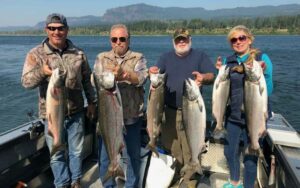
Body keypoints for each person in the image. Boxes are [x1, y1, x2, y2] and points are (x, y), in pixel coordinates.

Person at [21, 13, 96, 188]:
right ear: (46, 30)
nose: (57, 32)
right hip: (51, 116)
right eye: (52, 28)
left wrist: (92, 102)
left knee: (76, 151)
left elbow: (87, 79)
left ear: (67, 30)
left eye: (60, 28)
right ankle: (62, 184)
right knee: (57, 155)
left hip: (76, 112)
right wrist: (43, 72)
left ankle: (75, 181)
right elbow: (26, 82)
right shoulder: (36, 54)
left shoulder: (78, 53)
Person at [149, 28, 215, 187]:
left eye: (184, 39)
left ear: (190, 40)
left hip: (192, 112)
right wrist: (151, 73)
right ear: (174, 42)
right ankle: (176, 174)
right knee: (172, 147)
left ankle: (190, 180)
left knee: (190, 147)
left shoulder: (200, 56)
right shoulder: (165, 57)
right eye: (178, 40)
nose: (181, 42)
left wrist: (203, 78)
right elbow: (156, 75)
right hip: (169, 112)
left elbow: (212, 75)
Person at [215, 25, 273, 188]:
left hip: (255, 116)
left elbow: (269, 89)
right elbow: (224, 91)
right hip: (233, 116)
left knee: (250, 158)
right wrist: (220, 74)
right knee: (229, 152)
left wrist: (264, 73)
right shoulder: (228, 60)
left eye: (242, 38)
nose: (238, 42)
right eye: (234, 39)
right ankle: (234, 182)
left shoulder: (262, 58)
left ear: (249, 39)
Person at [94, 24, 148, 188]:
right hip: (107, 119)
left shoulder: (138, 57)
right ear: (110, 41)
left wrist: (124, 74)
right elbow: (94, 79)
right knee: (105, 158)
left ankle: (131, 186)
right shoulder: (101, 58)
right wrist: (107, 78)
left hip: (132, 119)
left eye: (122, 39)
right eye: (114, 39)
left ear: (128, 40)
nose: (118, 42)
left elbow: (142, 77)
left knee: (133, 158)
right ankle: (108, 184)